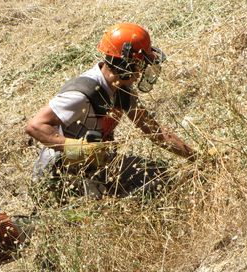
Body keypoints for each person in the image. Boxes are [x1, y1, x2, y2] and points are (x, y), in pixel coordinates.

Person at [25, 23, 196, 205]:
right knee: (98, 207)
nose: (141, 71)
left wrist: (196, 156)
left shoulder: (121, 89)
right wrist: (80, 149)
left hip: (95, 167)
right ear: (126, 64)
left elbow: (155, 132)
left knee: (157, 173)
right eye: (140, 64)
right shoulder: (82, 93)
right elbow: (34, 126)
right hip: (58, 176)